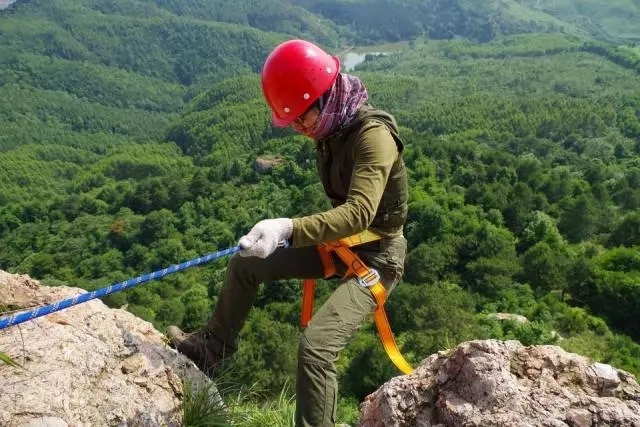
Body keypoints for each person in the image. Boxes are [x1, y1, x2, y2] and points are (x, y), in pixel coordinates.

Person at [167, 39, 409, 427]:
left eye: (301, 118)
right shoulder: (333, 127)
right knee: (246, 263)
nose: (298, 128)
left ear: (323, 97)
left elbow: (361, 213)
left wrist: (289, 228)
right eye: (292, 120)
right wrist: (286, 234)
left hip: (378, 257)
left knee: (316, 349)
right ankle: (213, 348)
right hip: (341, 244)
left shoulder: (372, 137)